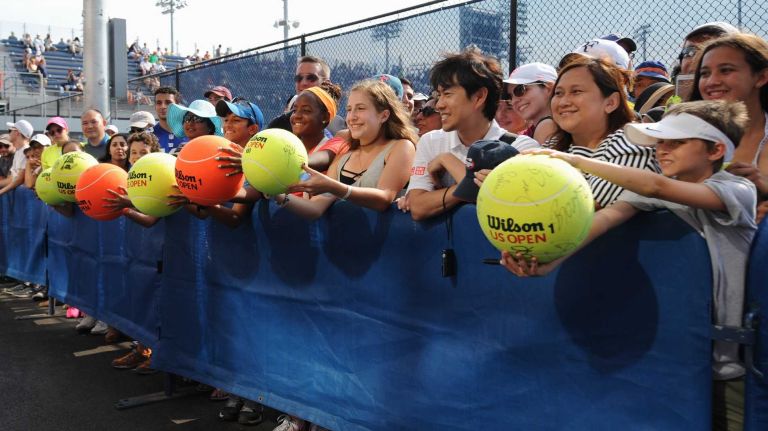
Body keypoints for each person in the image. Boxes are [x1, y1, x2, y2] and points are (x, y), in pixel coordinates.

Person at [502, 100, 755, 431]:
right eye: (660, 142)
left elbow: (655, 184)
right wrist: (548, 262)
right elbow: (606, 218)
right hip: (680, 361)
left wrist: (572, 160)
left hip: (739, 366)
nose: (662, 151)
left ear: (715, 150)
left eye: (676, 142)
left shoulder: (736, 188)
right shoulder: (655, 193)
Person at [399, 47, 539, 220]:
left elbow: (515, 211)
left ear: (479, 97)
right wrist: (473, 185)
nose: (439, 105)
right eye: (438, 95)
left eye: (448, 94)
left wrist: (448, 161)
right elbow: (418, 207)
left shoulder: (521, 148)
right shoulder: (431, 141)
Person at [273, 79, 417, 223]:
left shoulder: (402, 147)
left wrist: (333, 186)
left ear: (384, 115)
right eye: (349, 109)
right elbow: (315, 208)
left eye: (360, 108)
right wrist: (276, 193)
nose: (352, 117)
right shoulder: (345, 152)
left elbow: (384, 198)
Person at [543, 55, 659, 209]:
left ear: (611, 103)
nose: (563, 102)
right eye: (558, 93)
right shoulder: (553, 144)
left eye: (576, 91)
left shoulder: (632, 144)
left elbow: (577, 211)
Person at [690, 33, 768, 199]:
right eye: (704, 73)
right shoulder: (682, 136)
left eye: (726, 70)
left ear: (761, 77)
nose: (712, 82)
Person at [268, 56, 346, 135]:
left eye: (311, 78)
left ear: (326, 83)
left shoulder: (339, 127)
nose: (303, 83)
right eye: (299, 78)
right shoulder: (278, 126)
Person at [504, 62, 558, 143]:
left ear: (549, 88)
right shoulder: (531, 131)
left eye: (520, 90)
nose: (514, 101)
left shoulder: (548, 126)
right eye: (510, 96)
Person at [0, 120, 33, 195]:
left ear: (17, 133)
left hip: (27, 196)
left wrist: (1, 191)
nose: (9, 133)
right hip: (20, 195)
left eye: (10, 130)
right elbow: (12, 178)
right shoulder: (18, 151)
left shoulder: (27, 152)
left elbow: (19, 179)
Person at [153, 86, 187, 153]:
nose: (163, 106)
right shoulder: (148, 136)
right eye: (159, 103)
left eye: (168, 102)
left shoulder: (190, 133)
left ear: (177, 106)